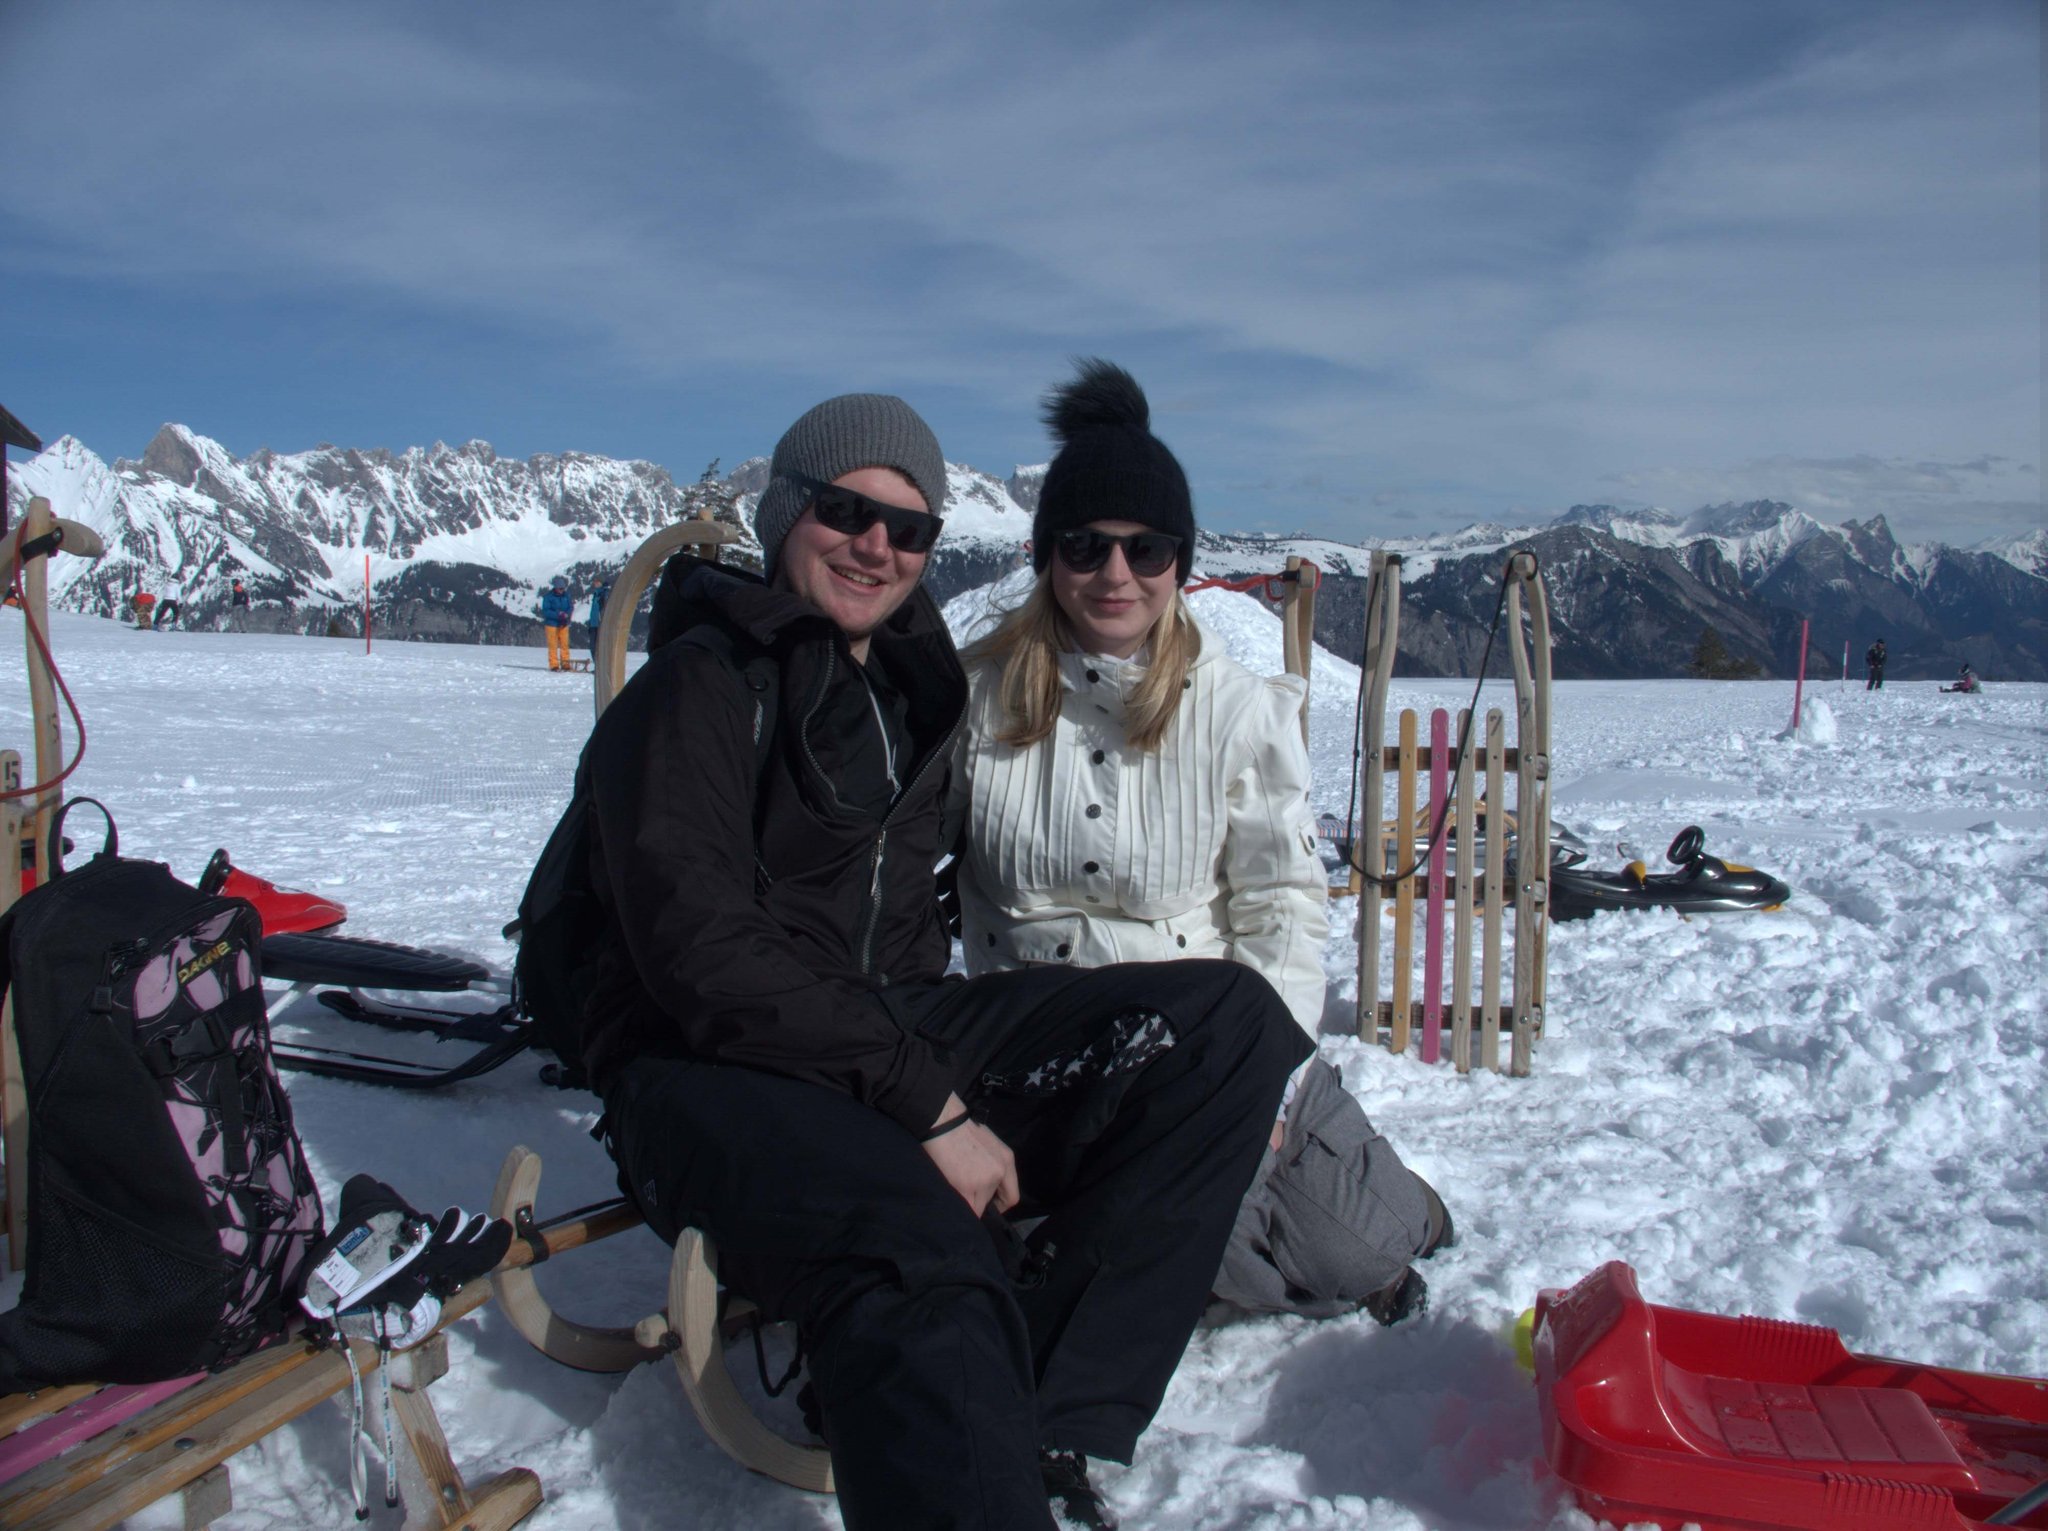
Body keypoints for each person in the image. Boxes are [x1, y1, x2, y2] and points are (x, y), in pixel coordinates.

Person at [581, 393, 1306, 1530]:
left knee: (1232, 1024)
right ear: (783, 512)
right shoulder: (699, 688)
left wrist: (946, 1069)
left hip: (872, 1030)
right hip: (716, 1065)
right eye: (844, 511)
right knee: (923, 1253)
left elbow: (907, 909)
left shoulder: (900, 691)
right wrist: (926, 1099)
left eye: (908, 528)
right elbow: (701, 952)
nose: (875, 545)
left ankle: (1043, 1410)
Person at [950, 359, 1449, 1328]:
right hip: (1039, 1064)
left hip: (1198, 1056)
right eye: (1084, 545)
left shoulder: (1231, 709)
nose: (1115, 575)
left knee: (1356, 1245)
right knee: (1157, 1251)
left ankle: (1383, 1204)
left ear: (1181, 560)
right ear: (1045, 555)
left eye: (1146, 548)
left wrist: (1263, 1086)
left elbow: (1279, 900)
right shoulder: (974, 700)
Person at [539, 575, 574, 671]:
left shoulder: (566, 595)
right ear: (556, 587)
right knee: (553, 645)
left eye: (563, 588)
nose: (562, 590)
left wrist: (567, 614)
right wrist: (558, 614)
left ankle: (565, 663)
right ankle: (554, 664)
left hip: (564, 623)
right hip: (552, 624)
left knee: (564, 644)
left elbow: (570, 607)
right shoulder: (548, 597)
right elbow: (546, 611)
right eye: (560, 588)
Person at [585, 578, 611, 663]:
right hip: (593, 624)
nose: (595, 583)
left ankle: (601, 665)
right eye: (595, 582)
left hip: (600, 624)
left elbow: (605, 606)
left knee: (599, 647)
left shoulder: (604, 593)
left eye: (597, 582)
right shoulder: (596, 594)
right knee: (593, 647)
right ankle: (597, 665)